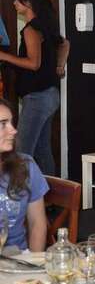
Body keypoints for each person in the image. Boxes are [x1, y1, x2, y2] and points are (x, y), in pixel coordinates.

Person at [0, 0, 69, 176]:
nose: (14, 3)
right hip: (49, 95)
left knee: (22, 150)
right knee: (42, 150)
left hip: (38, 97)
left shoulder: (31, 29)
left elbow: (33, 63)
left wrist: (4, 56)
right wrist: (59, 66)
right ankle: (51, 192)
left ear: (28, 3)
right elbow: (65, 44)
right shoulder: (45, 25)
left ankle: (18, 191)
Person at [0, 98, 48, 252]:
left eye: (11, 122)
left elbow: (37, 223)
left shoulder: (25, 166)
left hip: (18, 259)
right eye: (3, 124)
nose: (13, 130)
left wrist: (33, 262)